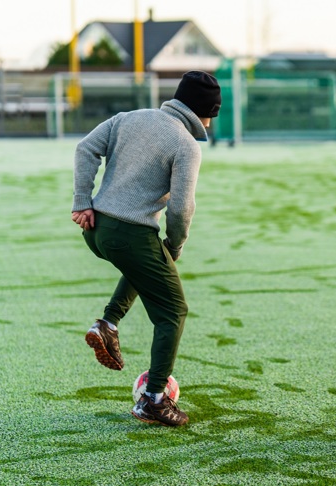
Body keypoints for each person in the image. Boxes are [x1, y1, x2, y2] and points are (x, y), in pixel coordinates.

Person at [71, 71, 221, 427]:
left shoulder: (129, 118)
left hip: (96, 230)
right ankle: (154, 399)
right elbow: (182, 208)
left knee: (146, 263)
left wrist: (82, 200)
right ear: (204, 112)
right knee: (173, 311)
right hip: (131, 233)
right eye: (212, 113)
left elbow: (85, 148)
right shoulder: (186, 144)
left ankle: (108, 323)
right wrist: (176, 244)